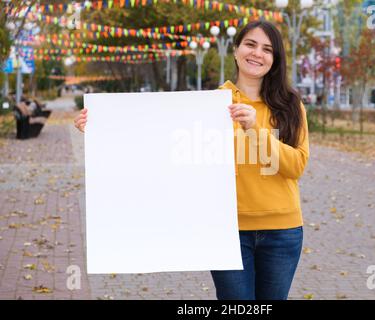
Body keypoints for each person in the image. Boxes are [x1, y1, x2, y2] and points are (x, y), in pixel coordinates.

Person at [74, 20, 309, 300]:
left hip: (282, 232)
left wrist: (255, 129)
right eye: (250, 44)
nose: (257, 53)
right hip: (225, 231)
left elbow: (295, 166)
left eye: (267, 49)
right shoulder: (209, 104)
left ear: (275, 59)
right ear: (235, 51)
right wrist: (103, 129)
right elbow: (160, 147)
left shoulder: (291, 106)